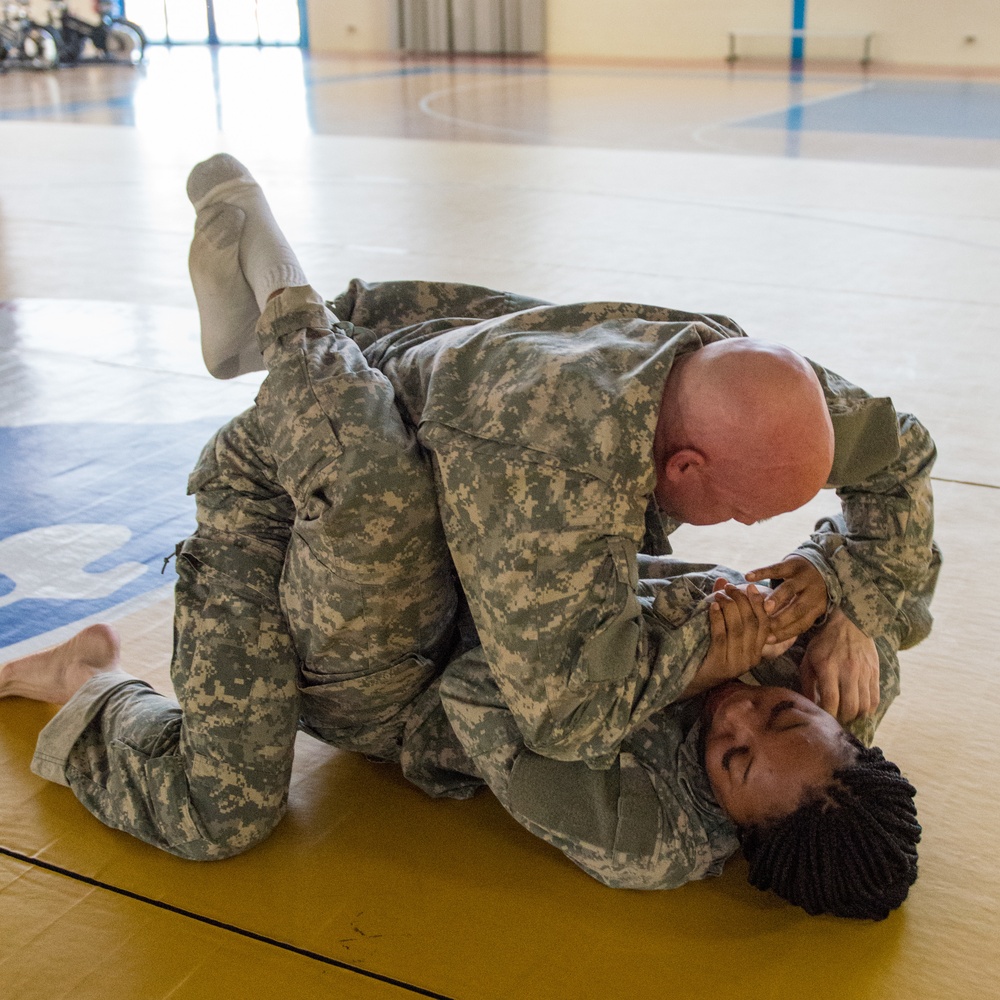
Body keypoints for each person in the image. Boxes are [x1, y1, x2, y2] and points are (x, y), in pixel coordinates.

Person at [0, 154, 933, 908]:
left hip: (407, 679)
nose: (743, 712)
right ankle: (285, 326)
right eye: (780, 711)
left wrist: (805, 610)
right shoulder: (565, 462)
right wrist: (790, 611)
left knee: (216, 814)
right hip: (302, 487)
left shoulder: (652, 831)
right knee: (380, 512)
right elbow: (885, 470)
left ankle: (82, 683)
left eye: (736, 755)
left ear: (744, 832)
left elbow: (491, 694)